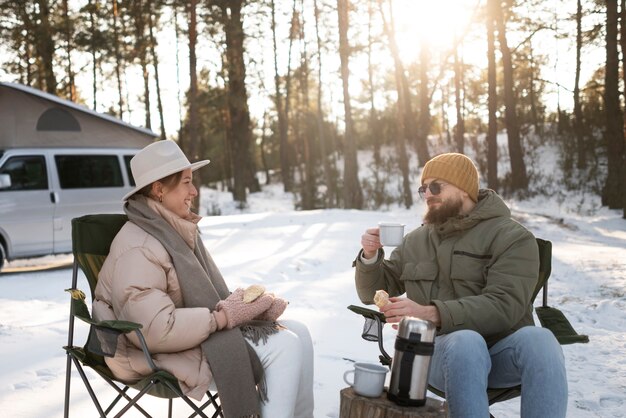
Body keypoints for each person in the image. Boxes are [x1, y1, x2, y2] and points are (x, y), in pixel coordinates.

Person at [93, 140, 314, 418]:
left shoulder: (171, 230)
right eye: (186, 182)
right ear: (159, 189)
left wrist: (248, 312)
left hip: (186, 339)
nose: (194, 191)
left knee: (300, 333)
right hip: (150, 355)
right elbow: (153, 330)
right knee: (285, 346)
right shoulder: (140, 245)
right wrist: (223, 317)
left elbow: (198, 297)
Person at [354, 153, 567, 418]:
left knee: (542, 342)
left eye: (436, 186)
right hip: (434, 353)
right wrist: (370, 256)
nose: (428, 194)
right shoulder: (417, 241)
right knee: (466, 342)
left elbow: (504, 305)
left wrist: (431, 312)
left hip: (500, 355)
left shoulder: (511, 237)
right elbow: (370, 292)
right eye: (424, 188)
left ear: (465, 189)